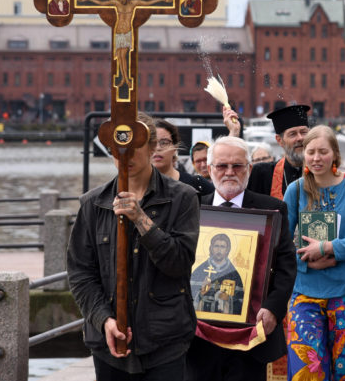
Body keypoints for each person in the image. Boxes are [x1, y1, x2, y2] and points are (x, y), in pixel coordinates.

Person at [67, 112, 199, 380]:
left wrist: (142, 221)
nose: (124, 156)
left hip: (165, 341)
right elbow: (81, 273)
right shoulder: (93, 203)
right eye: (117, 149)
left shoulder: (182, 198)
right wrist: (104, 319)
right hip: (110, 345)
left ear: (152, 148)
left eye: (133, 148)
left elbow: (180, 263)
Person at [186, 135, 297, 381]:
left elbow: (287, 268)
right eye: (222, 166)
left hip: (250, 338)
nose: (229, 172)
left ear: (248, 168)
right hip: (198, 337)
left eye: (237, 165)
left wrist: (272, 309)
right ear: (210, 169)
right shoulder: (190, 208)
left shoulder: (272, 208)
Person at [284, 125, 345, 380]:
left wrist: (327, 249)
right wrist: (306, 261)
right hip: (305, 293)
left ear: (335, 154)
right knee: (308, 372)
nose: (316, 158)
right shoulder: (295, 190)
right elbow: (281, 243)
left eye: (323, 152)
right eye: (311, 152)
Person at [248, 104, 311, 199]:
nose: (300, 138)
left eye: (303, 132)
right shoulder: (262, 174)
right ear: (279, 140)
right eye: (292, 134)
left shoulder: (323, 171)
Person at [151, 119, 214, 196]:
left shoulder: (197, 184)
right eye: (151, 142)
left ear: (175, 147)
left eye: (164, 143)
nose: (158, 148)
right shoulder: (135, 186)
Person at [192, 233, 245, 314]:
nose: (219, 250)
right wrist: (201, 292)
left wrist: (227, 299)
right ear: (211, 248)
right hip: (201, 319)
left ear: (227, 250)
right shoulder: (199, 271)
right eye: (216, 246)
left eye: (222, 247)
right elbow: (189, 298)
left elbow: (241, 303)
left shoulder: (234, 274)